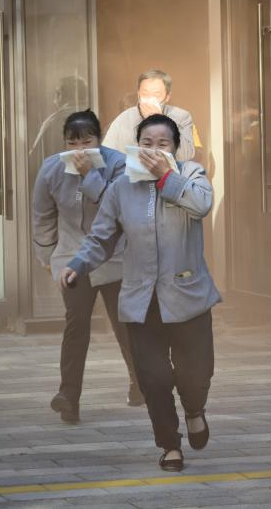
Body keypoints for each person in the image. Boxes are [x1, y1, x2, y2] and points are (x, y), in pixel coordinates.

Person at [59, 114, 221, 472]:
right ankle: (169, 445)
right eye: (146, 143)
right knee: (154, 378)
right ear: (135, 146)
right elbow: (102, 236)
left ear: (175, 148)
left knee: (196, 375)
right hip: (140, 300)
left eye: (162, 144)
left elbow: (201, 205)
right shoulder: (121, 188)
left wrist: (166, 177)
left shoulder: (191, 174)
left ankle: (194, 409)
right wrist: (79, 264)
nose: (153, 150)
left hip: (188, 297)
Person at [32, 110, 144, 423]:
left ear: (99, 139)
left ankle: (139, 383)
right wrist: (47, 257)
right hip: (72, 258)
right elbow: (42, 216)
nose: (79, 150)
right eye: (72, 143)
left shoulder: (119, 164)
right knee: (76, 324)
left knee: (124, 325)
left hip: (114, 256)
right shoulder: (51, 168)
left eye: (87, 142)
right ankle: (68, 397)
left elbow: (118, 206)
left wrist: (89, 175)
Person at [102, 69, 195, 161]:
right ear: (138, 94)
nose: (150, 99)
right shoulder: (124, 118)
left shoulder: (182, 117)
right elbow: (106, 154)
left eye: (156, 95)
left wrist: (159, 120)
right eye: (145, 94)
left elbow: (185, 156)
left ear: (167, 97)